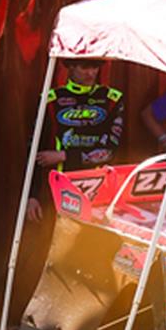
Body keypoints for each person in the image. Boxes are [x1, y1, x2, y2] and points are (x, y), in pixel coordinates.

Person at [26, 59, 124, 223]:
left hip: (98, 188)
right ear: (70, 66)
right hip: (57, 189)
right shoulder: (50, 100)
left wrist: (65, 155)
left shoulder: (112, 99)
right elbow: (35, 152)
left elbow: (110, 152)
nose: (91, 73)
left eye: (95, 67)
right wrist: (32, 196)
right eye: (85, 67)